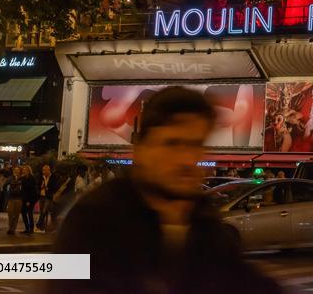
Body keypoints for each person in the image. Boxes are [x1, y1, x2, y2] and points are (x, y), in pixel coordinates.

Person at [52, 86, 281, 294]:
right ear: (141, 148)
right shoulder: (93, 219)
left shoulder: (207, 226)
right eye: (172, 144)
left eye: (195, 145)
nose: (186, 159)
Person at [37, 164, 60, 232]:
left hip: (48, 197)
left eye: (45, 170)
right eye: (43, 170)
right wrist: (40, 187)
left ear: (48, 170)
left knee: (44, 211)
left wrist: (47, 188)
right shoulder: (41, 177)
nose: (43, 171)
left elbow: (55, 187)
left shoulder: (53, 177)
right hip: (41, 196)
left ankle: (39, 224)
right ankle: (42, 227)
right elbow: (38, 185)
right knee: (41, 212)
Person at [6, 166, 24, 235]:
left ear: (20, 171)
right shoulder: (10, 178)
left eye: (18, 170)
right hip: (11, 198)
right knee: (10, 214)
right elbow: (5, 185)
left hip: (19, 199)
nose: (16, 171)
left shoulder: (22, 178)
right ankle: (10, 228)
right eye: (15, 170)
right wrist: (8, 191)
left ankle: (13, 229)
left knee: (16, 215)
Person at [20, 164, 38, 234]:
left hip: (30, 199)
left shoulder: (31, 178)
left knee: (29, 213)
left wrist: (29, 201)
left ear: (28, 171)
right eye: (23, 170)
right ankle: (27, 228)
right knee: (23, 213)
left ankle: (31, 229)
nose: (24, 171)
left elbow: (31, 190)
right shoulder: (24, 178)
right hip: (25, 198)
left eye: (25, 170)